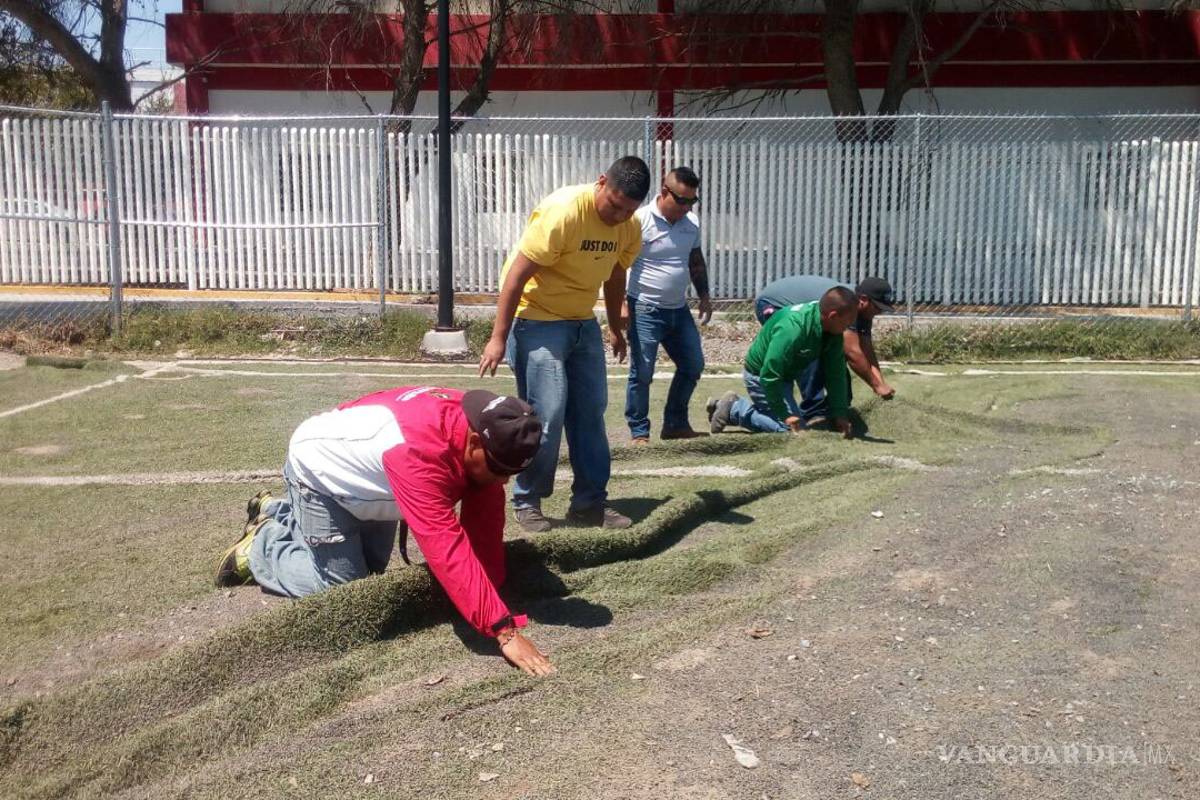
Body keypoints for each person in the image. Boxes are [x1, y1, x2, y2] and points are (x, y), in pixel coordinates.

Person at [214, 387, 555, 676]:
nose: (505, 480)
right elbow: (445, 547)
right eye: (498, 469)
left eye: (512, 472)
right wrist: (503, 631)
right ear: (475, 443)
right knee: (347, 591)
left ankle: (280, 510)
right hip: (321, 477)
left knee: (373, 573)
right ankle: (263, 545)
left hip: (370, 478)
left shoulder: (481, 419)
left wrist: (491, 585)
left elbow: (485, 518)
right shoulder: (418, 454)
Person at [478, 156, 650, 534]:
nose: (619, 216)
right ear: (601, 182)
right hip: (537, 319)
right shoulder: (563, 212)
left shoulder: (629, 226)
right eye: (615, 205)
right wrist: (498, 337)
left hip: (581, 323)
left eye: (629, 211)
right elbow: (517, 275)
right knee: (548, 411)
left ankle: (589, 503)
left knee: (590, 413)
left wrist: (615, 325)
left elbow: (616, 271)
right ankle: (528, 500)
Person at [623, 166, 713, 444]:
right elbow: (618, 264)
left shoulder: (692, 223)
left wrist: (705, 295)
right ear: (665, 192)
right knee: (643, 372)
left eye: (692, 201)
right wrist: (621, 304)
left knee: (693, 364)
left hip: (678, 309)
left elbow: (695, 261)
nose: (687, 207)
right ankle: (640, 431)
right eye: (682, 200)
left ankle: (675, 423)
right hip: (645, 308)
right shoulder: (638, 220)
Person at [709, 286, 858, 438]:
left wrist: (840, 413)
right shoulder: (793, 329)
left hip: (783, 377)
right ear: (832, 316)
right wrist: (784, 414)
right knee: (792, 431)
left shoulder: (832, 331)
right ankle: (734, 410)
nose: (848, 328)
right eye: (847, 323)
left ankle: (745, 409)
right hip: (760, 376)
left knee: (796, 426)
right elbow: (769, 375)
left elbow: (836, 374)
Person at [754, 275, 897, 426]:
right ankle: (814, 412)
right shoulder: (846, 306)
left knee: (832, 357)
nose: (880, 312)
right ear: (863, 299)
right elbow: (853, 353)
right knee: (810, 352)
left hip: (808, 317)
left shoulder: (860, 309)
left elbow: (866, 348)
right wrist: (876, 386)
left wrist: (881, 383)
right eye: (878, 307)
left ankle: (835, 409)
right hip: (772, 303)